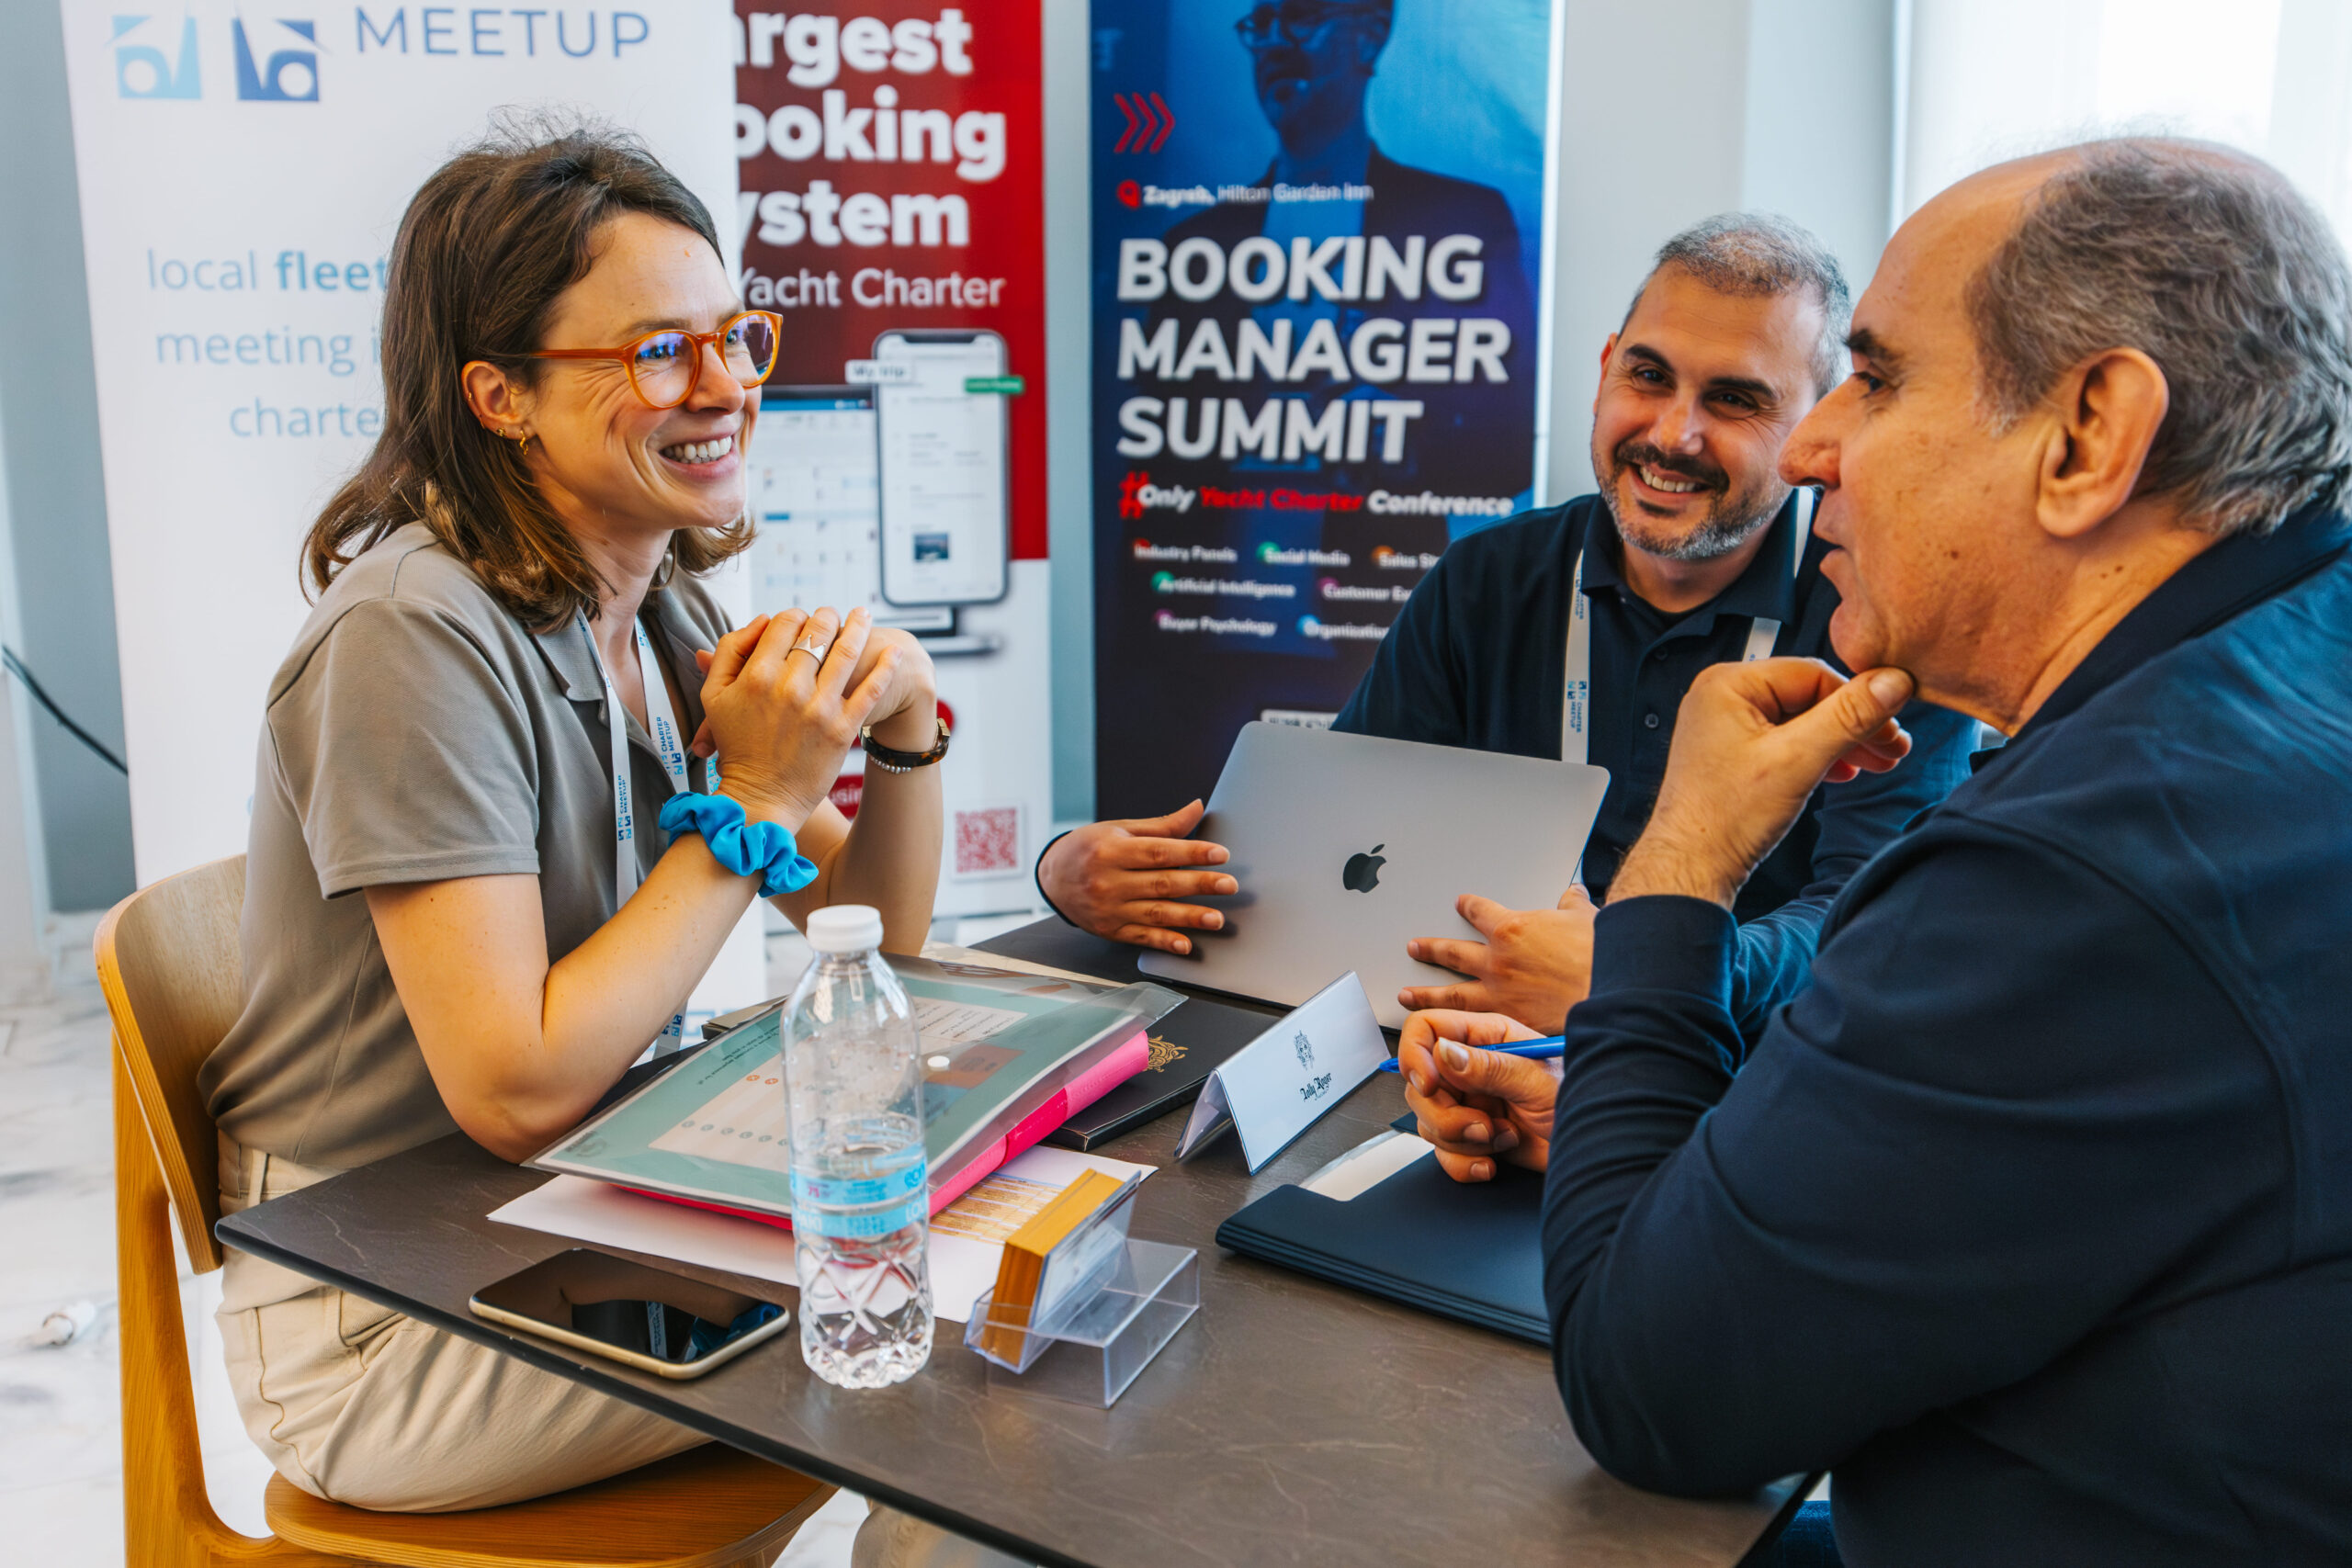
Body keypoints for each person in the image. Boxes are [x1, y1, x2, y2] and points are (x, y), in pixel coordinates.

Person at [1400, 138, 2352, 1563]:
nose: (1814, 446)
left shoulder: (2082, 869)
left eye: (1880, 378)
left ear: (2090, 435)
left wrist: (1683, 858)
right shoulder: (2284, 660)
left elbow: (1651, 1388)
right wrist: (1672, 1124)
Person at [197, 122, 948, 1548]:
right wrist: (759, 797)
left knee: (963, 1259)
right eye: (658, 351)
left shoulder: (654, 603)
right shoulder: (409, 638)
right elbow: (519, 1089)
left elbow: (878, 933)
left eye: (734, 337)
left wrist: (902, 724)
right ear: (500, 395)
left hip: (581, 1222)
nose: (723, 386)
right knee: (933, 1329)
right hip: (384, 1312)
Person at [1047, 215, 1976, 1040]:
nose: (1672, 434)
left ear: (1815, 426)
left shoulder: (1881, 617)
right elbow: (1345, 845)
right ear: (1604, 369)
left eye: (1734, 400)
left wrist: (1642, 971)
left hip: (1736, 1074)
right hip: (1461, 1045)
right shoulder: (1487, 578)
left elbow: (1877, 926)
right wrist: (1072, 871)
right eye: (1647, 376)